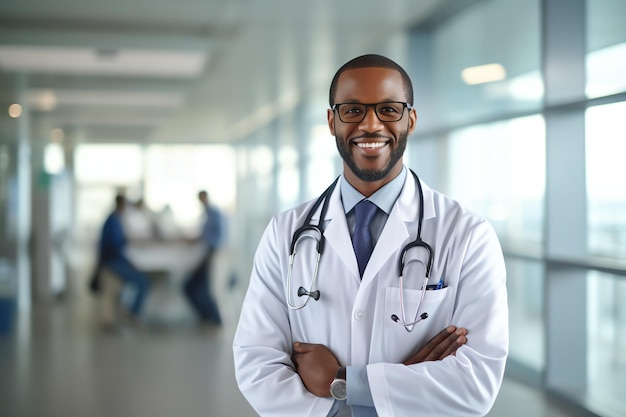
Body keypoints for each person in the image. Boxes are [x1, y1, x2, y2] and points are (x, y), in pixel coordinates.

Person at [233, 54, 508, 416]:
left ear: (410, 119)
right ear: (332, 121)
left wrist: (344, 382)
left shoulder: (468, 235)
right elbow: (256, 363)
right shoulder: (285, 232)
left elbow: (475, 383)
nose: (371, 125)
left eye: (389, 110)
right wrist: (372, 397)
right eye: (353, 111)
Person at [95, 194, 151, 326]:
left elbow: (120, 242)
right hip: (113, 261)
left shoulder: (116, 219)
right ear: (121, 204)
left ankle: (131, 312)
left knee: (141, 280)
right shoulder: (113, 221)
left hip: (115, 259)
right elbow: (114, 247)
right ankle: (134, 313)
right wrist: (128, 262)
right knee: (143, 282)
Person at [183, 190, 226, 326]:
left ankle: (214, 320)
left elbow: (217, 237)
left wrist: (209, 254)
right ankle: (207, 318)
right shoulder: (207, 214)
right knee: (193, 287)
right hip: (205, 253)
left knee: (202, 288)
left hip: (210, 254)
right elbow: (205, 236)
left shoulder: (214, 213)